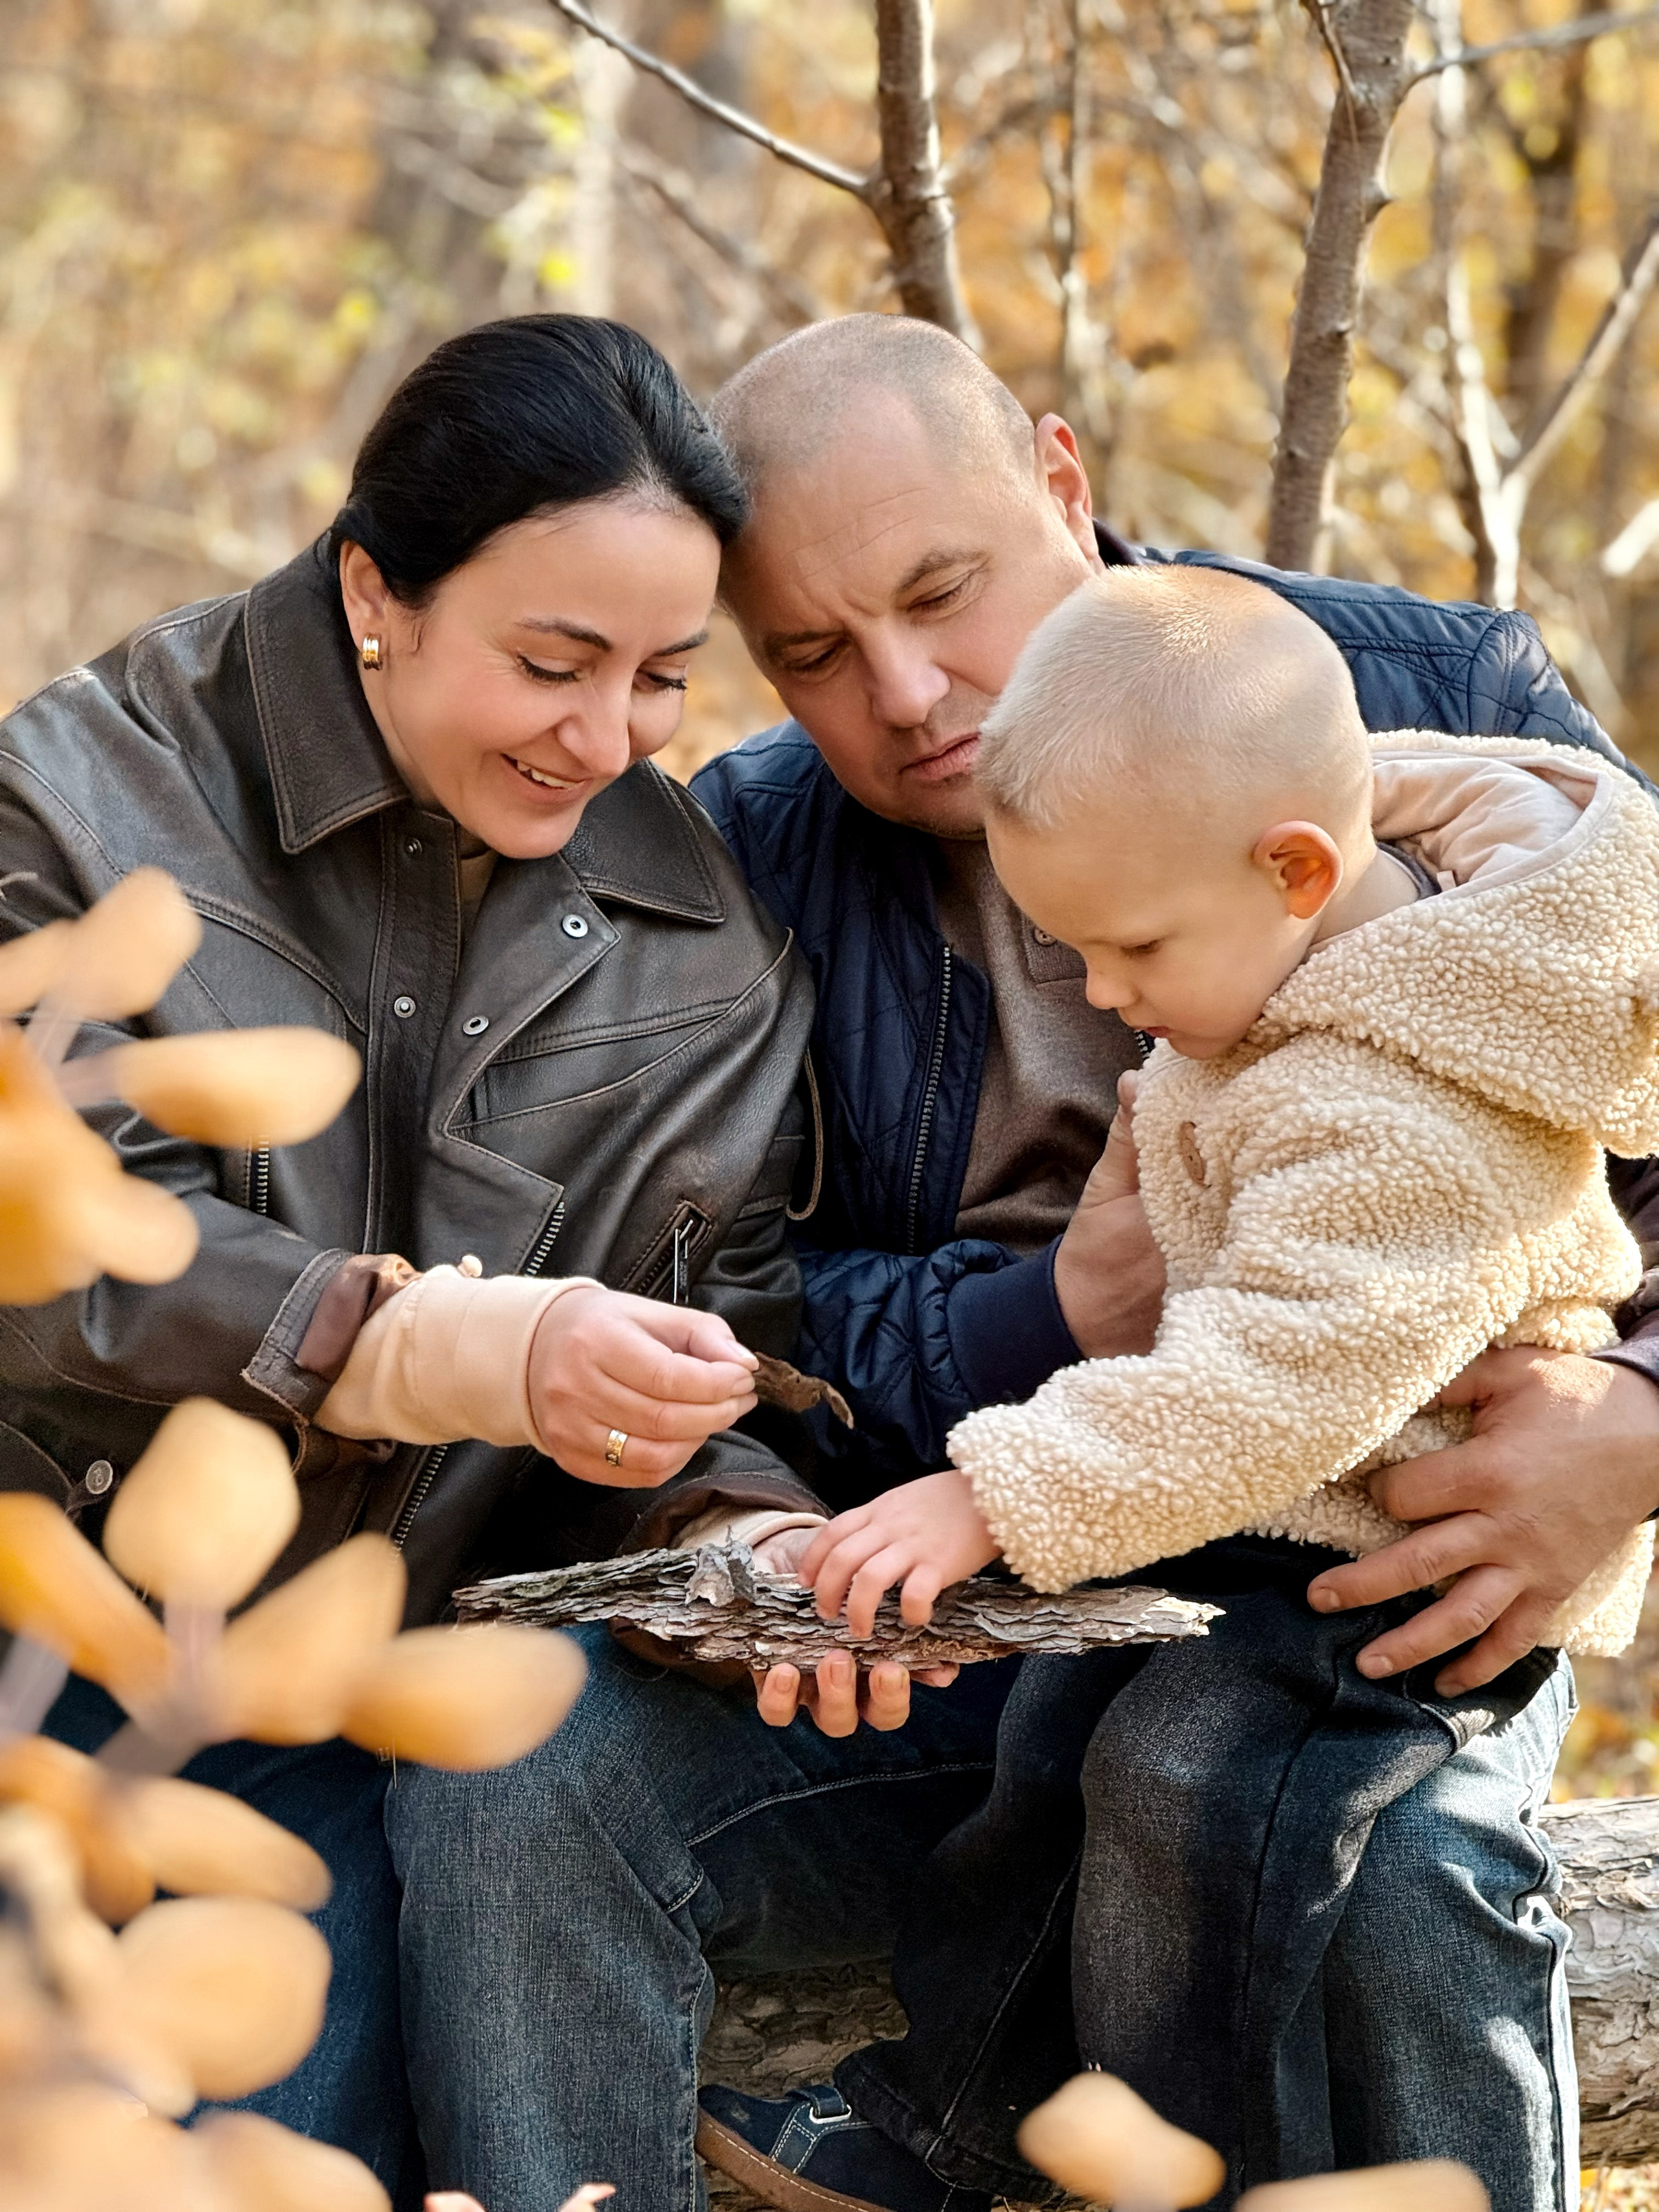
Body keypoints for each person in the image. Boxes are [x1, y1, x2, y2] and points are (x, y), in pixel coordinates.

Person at [385, 313, 1659, 2212]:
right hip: (966, 1605)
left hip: (1380, 1552)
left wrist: (1637, 1415)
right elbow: (730, 1302)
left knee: (1363, 1843)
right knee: (510, 1766)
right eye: (810, 653)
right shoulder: (741, 856)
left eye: (942, 591)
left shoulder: (1411, 697)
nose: (902, 690)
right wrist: (1038, 1324)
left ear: (1061, 483)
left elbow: (1614, 1017)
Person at [699, 563, 1659, 2211]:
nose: (1101, 995)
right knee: (1071, 1726)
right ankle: (952, 2129)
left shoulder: (1402, 1101)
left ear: (1294, 873)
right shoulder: (1293, 969)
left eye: (1129, 946)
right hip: (1269, 1529)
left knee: (1192, 1789)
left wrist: (988, 1489)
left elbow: (1277, 1380)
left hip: (1399, 1575)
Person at [2, 314, 826, 2204]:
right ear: (376, 587)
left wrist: (730, 1535)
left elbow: (732, 1335)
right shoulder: (73, 792)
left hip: (414, 1691)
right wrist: (430, 1340)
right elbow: (49, 1229)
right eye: (553, 660)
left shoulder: (703, 934)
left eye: (661, 680)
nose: (603, 737)